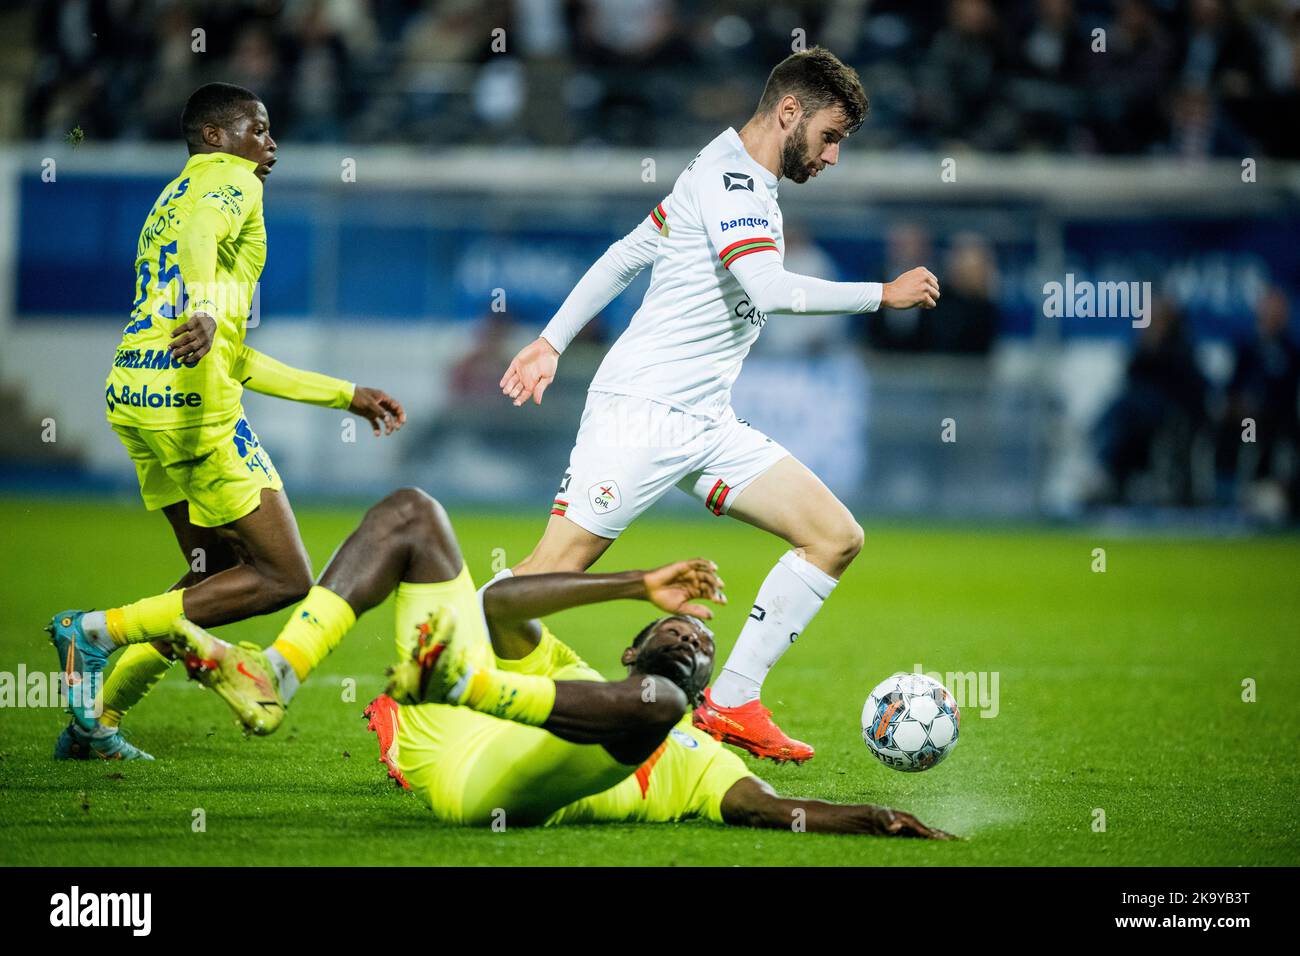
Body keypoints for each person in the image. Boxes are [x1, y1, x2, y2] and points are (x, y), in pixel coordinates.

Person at [498, 47, 940, 762]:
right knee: (547, 576)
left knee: (835, 536)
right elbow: (767, 289)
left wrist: (550, 340)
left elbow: (626, 253)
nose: (832, 157)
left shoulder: (729, 172)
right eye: (830, 137)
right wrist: (880, 294)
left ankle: (731, 701)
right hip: (641, 415)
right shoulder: (731, 179)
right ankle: (416, 692)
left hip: (705, 420)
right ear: (789, 112)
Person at [164, 488, 952, 838]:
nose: (691, 638)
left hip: (481, 787)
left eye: (703, 651)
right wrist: (636, 581)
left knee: (655, 711)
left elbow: (770, 808)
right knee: (412, 513)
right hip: (438, 712)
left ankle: (465, 683)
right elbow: (501, 604)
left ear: (708, 688)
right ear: (630, 646)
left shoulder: (696, 751)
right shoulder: (567, 664)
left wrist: (872, 819)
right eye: (673, 631)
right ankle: (278, 673)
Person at [48, 82, 406, 761]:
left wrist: (344, 394)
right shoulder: (230, 181)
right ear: (215, 137)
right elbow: (203, 236)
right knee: (285, 577)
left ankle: (95, 718)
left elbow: (235, 355)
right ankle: (91, 632)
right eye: (257, 129)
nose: (269, 144)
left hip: (136, 390)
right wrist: (208, 305)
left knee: (207, 575)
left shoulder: (172, 193)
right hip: (194, 410)